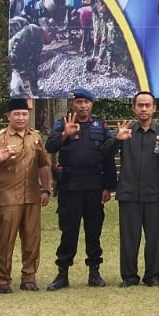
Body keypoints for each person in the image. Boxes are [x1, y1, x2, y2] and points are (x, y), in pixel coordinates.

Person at [103, 90, 159, 286]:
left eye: (147, 105)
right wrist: (118, 139)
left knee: (154, 239)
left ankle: (152, 276)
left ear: (154, 108)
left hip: (155, 194)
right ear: (133, 108)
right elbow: (105, 153)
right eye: (140, 105)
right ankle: (129, 276)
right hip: (129, 193)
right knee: (129, 238)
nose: (144, 109)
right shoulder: (126, 130)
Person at [46, 87, 114, 290]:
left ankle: (94, 272)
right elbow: (50, 146)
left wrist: (108, 187)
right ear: (72, 104)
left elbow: (108, 155)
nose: (83, 106)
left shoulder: (100, 125)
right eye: (79, 102)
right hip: (70, 186)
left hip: (94, 186)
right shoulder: (63, 123)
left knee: (94, 231)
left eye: (86, 102)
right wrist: (65, 135)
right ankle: (62, 273)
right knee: (69, 231)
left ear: (91, 104)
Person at [0, 98, 52, 292]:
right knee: (5, 240)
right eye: (17, 114)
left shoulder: (36, 137)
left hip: (32, 196)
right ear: (9, 116)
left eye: (24, 114)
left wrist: (47, 188)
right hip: (8, 198)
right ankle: (3, 279)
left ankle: (29, 277)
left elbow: (43, 164)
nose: (21, 117)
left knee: (32, 240)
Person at [9, 16, 45, 96]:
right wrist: (17, 70)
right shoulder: (30, 31)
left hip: (18, 51)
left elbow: (34, 60)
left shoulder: (37, 39)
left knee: (30, 69)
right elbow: (15, 50)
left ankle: (33, 91)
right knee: (14, 76)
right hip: (12, 53)